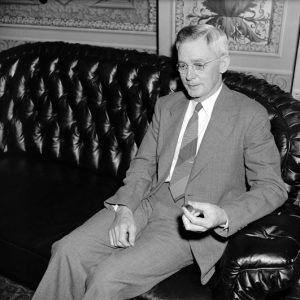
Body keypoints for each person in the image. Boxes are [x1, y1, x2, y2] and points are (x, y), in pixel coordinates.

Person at [32, 24, 287, 300]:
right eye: (183, 66)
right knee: (67, 250)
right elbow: (143, 164)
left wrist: (223, 215)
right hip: (147, 201)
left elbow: (272, 187)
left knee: (106, 278)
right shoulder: (168, 106)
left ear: (223, 63)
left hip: (189, 222)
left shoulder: (249, 115)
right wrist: (125, 209)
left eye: (199, 65)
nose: (189, 76)